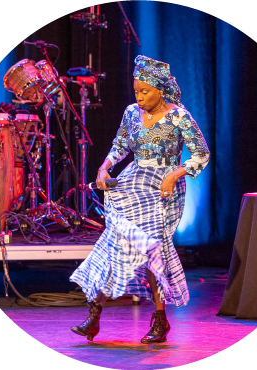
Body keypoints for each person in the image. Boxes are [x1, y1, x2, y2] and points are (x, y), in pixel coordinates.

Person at [69, 55, 210, 343]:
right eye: (137, 91)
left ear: (161, 89)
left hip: (163, 190)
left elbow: (202, 155)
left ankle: (160, 319)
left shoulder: (179, 116)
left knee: (151, 250)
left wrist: (175, 174)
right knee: (117, 244)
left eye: (146, 91)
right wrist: (105, 165)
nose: (140, 96)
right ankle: (94, 315)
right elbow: (120, 145)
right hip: (134, 182)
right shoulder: (132, 112)